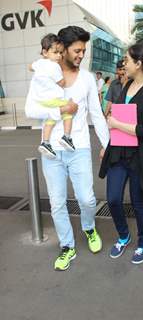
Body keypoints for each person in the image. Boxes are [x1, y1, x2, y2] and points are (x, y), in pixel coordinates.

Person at [25, 26, 109, 271]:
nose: (81, 55)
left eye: (84, 50)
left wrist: (107, 144)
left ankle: (89, 227)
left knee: (87, 199)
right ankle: (67, 247)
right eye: (77, 50)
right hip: (51, 150)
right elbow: (31, 110)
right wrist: (60, 110)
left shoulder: (87, 79)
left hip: (79, 147)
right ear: (62, 50)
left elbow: (96, 113)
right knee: (57, 203)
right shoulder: (43, 74)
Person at [99, 43, 143, 264]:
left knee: (138, 202)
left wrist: (116, 124)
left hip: (140, 157)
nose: (124, 64)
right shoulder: (126, 85)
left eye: (127, 60)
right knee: (112, 199)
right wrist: (108, 144)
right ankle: (123, 236)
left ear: (138, 64)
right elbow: (120, 117)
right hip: (118, 153)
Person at [29, 33, 75, 158]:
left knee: (51, 119)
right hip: (53, 99)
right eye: (55, 52)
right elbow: (62, 83)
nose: (59, 56)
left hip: (42, 100)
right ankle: (66, 137)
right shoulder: (54, 66)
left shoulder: (39, 63)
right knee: (68, 112)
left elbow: (30, 67)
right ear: (45, 52)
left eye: (60, 53)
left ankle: (45, 142)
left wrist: (37, 70)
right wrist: (64, 80)